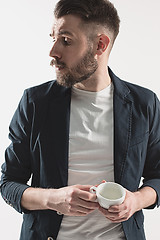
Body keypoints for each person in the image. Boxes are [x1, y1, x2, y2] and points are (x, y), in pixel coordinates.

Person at [0, 0, 160, 239]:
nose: (53, 51)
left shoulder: (144, 103)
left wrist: (136, 200)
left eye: (66, 40)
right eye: (53, 38)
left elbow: (158, 175)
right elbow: (9, 184)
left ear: (100, 44)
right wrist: (54, 199)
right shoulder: (35, 102)